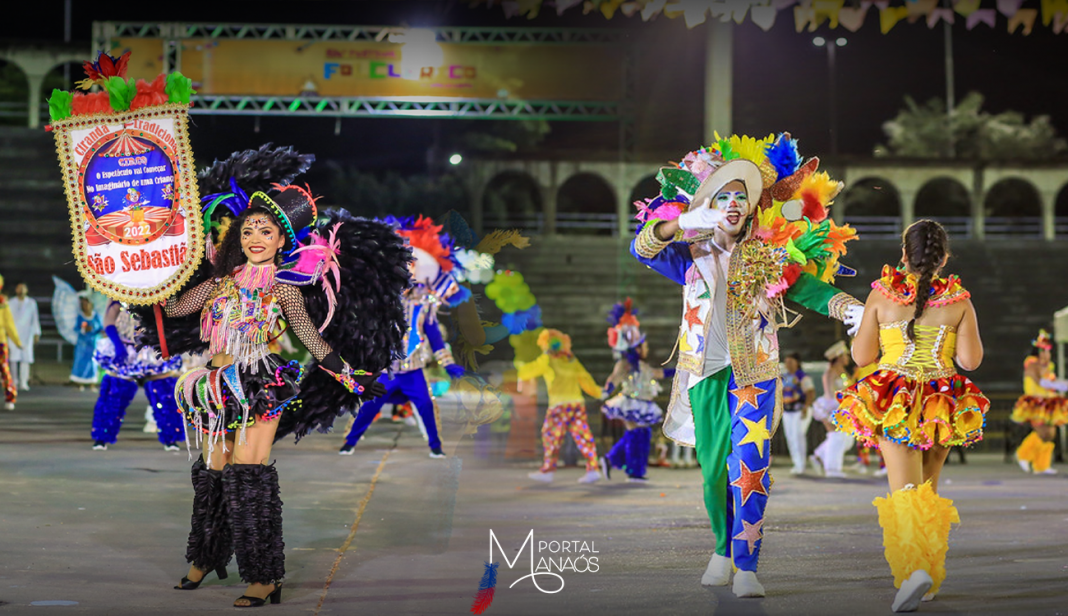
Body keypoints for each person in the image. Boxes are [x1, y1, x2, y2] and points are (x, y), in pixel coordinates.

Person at [136, 145, 409, 608]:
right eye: (249, 230)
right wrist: (142, 281)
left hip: (260, 384)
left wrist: (350, 375)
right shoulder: (221, 282)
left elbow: (310, 338)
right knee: (212, 472)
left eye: (266, 231)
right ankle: (205, 557)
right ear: (236, 236)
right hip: (214, 387)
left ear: (282, 240)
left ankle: (264, 576)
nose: (256, 237)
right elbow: (175, 306)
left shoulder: (285, 287)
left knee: (248, 474)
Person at [631, 133, 865, 597]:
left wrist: (853, 310)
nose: (734, 204)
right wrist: (679, 223)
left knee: (751, 467)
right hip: (703, 377)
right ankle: (722, 548)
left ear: (751, 207)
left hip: (754, 376)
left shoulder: (766, 255)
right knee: (714, 471)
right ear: (710, 205)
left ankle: (747, 564)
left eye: (742, 197)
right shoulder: (689, 256)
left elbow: (808, 289)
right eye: (724, 197)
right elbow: (640, 249)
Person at [833, 219, 988, 612]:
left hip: (895, 400)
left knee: (905, 494)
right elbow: (970, 361)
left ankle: (913, 571)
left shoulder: (881, 297)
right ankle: (930, 577)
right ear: (943, 257)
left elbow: (862, 357)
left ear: (904, 255)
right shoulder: (960, 301)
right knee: (928, 493)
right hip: (941, 402)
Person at [340, 216, 467, 459]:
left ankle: (435, 446)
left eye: (410, 265)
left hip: (413, 369)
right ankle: (350, 442)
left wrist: (448, 364)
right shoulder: (379, 297)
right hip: (386, 369)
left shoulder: (423, 300)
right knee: (368, 407)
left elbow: (433, 334)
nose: (405, 270)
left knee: (426, 407)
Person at [88, 301, 185, 451]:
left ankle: (170, 438)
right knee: (114, 391)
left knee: (164, 392)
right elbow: (109, 320)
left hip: (152, 350)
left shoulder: (158, 289)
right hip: (125, 348)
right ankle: (102, 437)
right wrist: (118, 345)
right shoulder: (119, 289)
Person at [599, 299, 673, 482]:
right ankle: (633, 471)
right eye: (644, 346)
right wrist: (606, 389)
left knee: (641, 434)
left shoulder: (643, 366)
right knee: (638, 434)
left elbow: (659, 373)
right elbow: (614, 378)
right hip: (631, 402)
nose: (647, 349)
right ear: (637, 347)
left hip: (643, 403)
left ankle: (612, 460)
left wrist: (680, 369)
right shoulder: (625, 364)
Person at [519, 329, 604, 484]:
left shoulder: (548, 359)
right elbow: (585, 379)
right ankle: (593, 468)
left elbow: (528, 371)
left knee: (550, 435)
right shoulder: (571, 359)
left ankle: (549, 469)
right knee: (583, 436)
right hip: (576, 404)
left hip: (559, 405)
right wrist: (598, 393)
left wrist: (517, 369)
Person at [1010, 329, 1067, 475]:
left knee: (1050, 434)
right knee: (1042, 433)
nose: (1045, 354)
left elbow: (1051, 382)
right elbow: (1041, 382)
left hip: (1049, 403)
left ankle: (1041, 465)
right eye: (1042, 351)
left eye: (1047, 351)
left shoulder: (1048, 366)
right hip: (1035, 404)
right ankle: (1023, 454)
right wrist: (1062, 385)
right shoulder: (1032, 364)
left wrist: (1060, 385)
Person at [810, 341, 855, 478]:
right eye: (845, 355)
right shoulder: (830, 372)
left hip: (844, 406)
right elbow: (829, 393)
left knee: (847, 440)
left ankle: (819, 456)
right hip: (832, 407)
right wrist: (835, 410)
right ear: (839, 356)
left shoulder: (843, 372)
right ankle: (832, 469)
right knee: (837, 437)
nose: (847, 358)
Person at [780, 352, 815, 475]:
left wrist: (806, 406)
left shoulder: (802, 377)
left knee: (797, 437)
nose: (787, 364)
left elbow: (810, 392)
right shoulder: (784, 376)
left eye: (790, 362)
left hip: (799, 410)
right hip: (787, 410)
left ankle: (801, 465)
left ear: (797, 363)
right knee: (790, 437)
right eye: (786, 362)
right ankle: (797, 463)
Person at [8, 282, 40, 392]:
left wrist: (37, 333)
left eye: (23, 288)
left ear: (26, 290)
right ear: (16, 290)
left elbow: (35, 318)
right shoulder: (10, 302)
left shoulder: (31, 303)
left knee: (25, 359)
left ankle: (23, 382)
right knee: (13, 358)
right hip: (13, 333)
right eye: (19, 288)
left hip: (27, 333)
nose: (21, 290)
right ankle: (14, 381)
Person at [70, 293, 102, 390]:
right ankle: (80, 383)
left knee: (92, 363)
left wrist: (94, 328)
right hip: (82, 345)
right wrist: (84, 329)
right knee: (80, 362)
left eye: (87, 304)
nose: (85, 306)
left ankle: (92, 383)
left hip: (93, 343)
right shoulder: (80, 316)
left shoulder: (96, 316)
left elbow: (100, 327)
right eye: (83, 304)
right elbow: (76, 328)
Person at [0, 274, 22, 410]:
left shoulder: (2, 304)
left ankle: (10, 397)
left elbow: (9, 324)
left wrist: (17, 341)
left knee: (4, 370)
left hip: (1, 342)